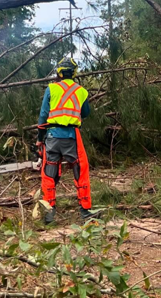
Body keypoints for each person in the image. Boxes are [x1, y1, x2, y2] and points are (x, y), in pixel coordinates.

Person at [36, 56, 93, 224]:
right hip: (71, 137)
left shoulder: (51, 89)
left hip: (52, 136)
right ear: (74, 73)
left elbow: (43, 115)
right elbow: (86, 113)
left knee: (49, 173)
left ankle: (48, 213)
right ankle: (85, 211)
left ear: (59, 72)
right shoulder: (81, 91)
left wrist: (40, 139)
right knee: (80, 171)